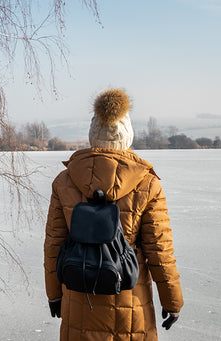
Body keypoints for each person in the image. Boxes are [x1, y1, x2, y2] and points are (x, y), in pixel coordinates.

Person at [43, 88, 183, 340]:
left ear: (92, 136)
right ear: (127, 136)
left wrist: (54, 294)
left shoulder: (64, 181)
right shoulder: (147, 184)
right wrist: (172, 302)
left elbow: (54, 245)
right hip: (130, 299)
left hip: (79, 295)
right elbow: (159, 251)